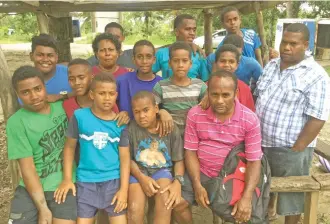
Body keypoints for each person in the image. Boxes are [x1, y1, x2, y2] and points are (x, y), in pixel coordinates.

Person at [254, 23, 330, 224]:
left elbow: (318, 117)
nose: (286, 47)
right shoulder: (271, 65)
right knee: (263, 187)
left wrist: (298, 148)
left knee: (292, 197)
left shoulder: (316, 75)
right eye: (284, 42)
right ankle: (267, 215)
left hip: (290, 148)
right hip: (260, 144)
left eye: (293, 44)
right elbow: (259, 97)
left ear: (305, 45)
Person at [173, 70, 263, 224]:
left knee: (241, 214)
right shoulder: (195, 114)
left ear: (235, 93)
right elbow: (191, 151)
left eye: (226, 95)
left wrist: (247, 197)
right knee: (177, 202)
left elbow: (254, 160)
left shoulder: (249, 119)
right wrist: (197, 185)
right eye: (214, 94)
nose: (220, 100)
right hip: (201, 172)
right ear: (207, 92)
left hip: (233, 175)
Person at [54, 74, 130, 224]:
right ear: (92, 95)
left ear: (116, 95)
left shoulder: (120, 123)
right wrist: (67, 179)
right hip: (86, 181)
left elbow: (125, 158)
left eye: (111, 94)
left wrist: (124, 190)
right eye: (102, 93)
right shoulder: (80, 116)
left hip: (113, 182)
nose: (107, 98)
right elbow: (69, 148)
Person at [6, 66, 76, 224]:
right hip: (30, 188)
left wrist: (62, 96)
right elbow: (27, 168)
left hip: (64, 184)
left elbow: (87, 92)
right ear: (17, 94)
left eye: (38, 89)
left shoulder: (64, 108)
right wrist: (43, 208)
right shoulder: (16, 122)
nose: (34, 96)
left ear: (45, 87)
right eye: (25, 92)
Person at [121, 91, 184, 224]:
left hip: (162, 171)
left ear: (156, 109)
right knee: (134, 209)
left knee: (165, 203)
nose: (142, 116)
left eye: (146, 110)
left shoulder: (170, 129)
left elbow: (178, 160)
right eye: (137, 112)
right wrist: (142, 178)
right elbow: (128, 159)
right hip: (138, 171)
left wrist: (178, 181)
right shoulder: (130, 129)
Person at [152, 41, 207, 134]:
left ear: (190, 63)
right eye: (176, 61)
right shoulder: (161, 86)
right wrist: (161, 111)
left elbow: (209, 104)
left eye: (185, 61)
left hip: (194, 135)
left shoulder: (200, 85)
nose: (180, 65)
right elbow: (152, 108)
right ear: (169, 63)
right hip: (170, 136)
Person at [63, 58, 129, 126]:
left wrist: (124, 115)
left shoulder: (105, 102)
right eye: (71, 79)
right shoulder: (67, 105)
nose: (77, 82)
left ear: (92, 77)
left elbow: (117, 123)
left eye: (81, 78)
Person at [152, 14, 209, 81]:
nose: (192, 33)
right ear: (176, 32)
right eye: (187, 29)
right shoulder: (162, 53)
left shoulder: (199, 54)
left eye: (194, 30)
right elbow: (147, 75)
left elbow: (205, 81)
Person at [201, 44, 256, 112]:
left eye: (231, 61)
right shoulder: (205, 87)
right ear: (215, 63)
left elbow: (250, 112)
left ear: (236, 65)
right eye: (223, 61)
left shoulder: (244, 88)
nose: (227, 65)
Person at [116, 40, 162, 118]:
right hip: (126, 128)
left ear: (154, 60)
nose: (144, 61)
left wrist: (163, 112)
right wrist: (119, 113)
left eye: (148, 56)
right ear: (133, 60)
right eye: (140, 57)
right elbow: (110, 105)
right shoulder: (122, 81)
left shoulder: (162, 83)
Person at [30, 34, 73, 102]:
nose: (45, 59)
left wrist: (61, 96)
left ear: (56, 57)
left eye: (50, 55)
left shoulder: (70, 73)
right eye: (40, 55)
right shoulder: (25, 81)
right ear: (31, 56)